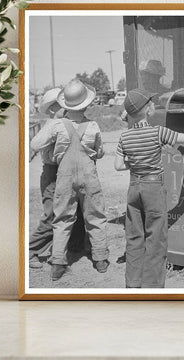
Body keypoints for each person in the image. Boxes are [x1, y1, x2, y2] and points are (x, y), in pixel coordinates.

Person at [114, 88, 184, 288]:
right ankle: (152, 287)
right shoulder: (157, 132)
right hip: (153, 187)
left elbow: (118, 166)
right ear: (147, 110)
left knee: (134, 236)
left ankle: (133, 284)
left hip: (134, 186)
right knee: (156, 237)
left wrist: (135, 164)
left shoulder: (124, 137)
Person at [47, 79, 109, 280]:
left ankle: (57, 263)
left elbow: (35, 143)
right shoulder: (93, 126)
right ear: (87, 103)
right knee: (96, 217)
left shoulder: (57, 125)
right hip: (89, 175)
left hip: (64, 177)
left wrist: (51, 155)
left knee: (62, 219)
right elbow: (99, 153)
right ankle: (100, 259)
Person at [29, 89, 85, 268]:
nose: (67, 109)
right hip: (53, 172)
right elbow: (35, 144)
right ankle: (31, 251)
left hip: (67, 170)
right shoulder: (52, 124)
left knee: (75, 209)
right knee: (52, 214)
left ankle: (74, 246)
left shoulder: (67, 123)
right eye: (62, 106)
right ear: (53, 108)